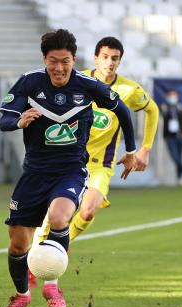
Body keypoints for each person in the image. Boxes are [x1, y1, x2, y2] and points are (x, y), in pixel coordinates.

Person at [0, 29, 137, 307]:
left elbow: (122, 110)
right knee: (17, 243)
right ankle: (22, 294)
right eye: (53, 61)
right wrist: (19, 121)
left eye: (65, 61)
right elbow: (4, 119)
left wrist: (133, 150)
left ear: (74, 59)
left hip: (70, 170)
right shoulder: (29, 82)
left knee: (60, 218)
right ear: (44, 59)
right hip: (34, 173)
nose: (59, 68)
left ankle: (52, 284)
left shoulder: (87, 85)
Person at [31, 36, 159, 287]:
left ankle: (60, 248)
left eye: (115, 59)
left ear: (119, 62)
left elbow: (152, 110)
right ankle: (36, 257)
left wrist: (145, 149)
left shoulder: (129, 90)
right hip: (69, 160)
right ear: (96, 58)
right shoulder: (77, 82)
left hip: (102, 163)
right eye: (106, 57)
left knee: (88, 210)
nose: (110, 63)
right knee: (53, 217)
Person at [160, 89, 182, 184]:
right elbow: (162, 117)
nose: (173, 97)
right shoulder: (164, 107)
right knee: (175, 157)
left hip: (180, 135)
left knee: (179, 157)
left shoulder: (180, 107)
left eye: (174, 95)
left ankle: (179, 178)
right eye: (171, 95)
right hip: (170, 136)